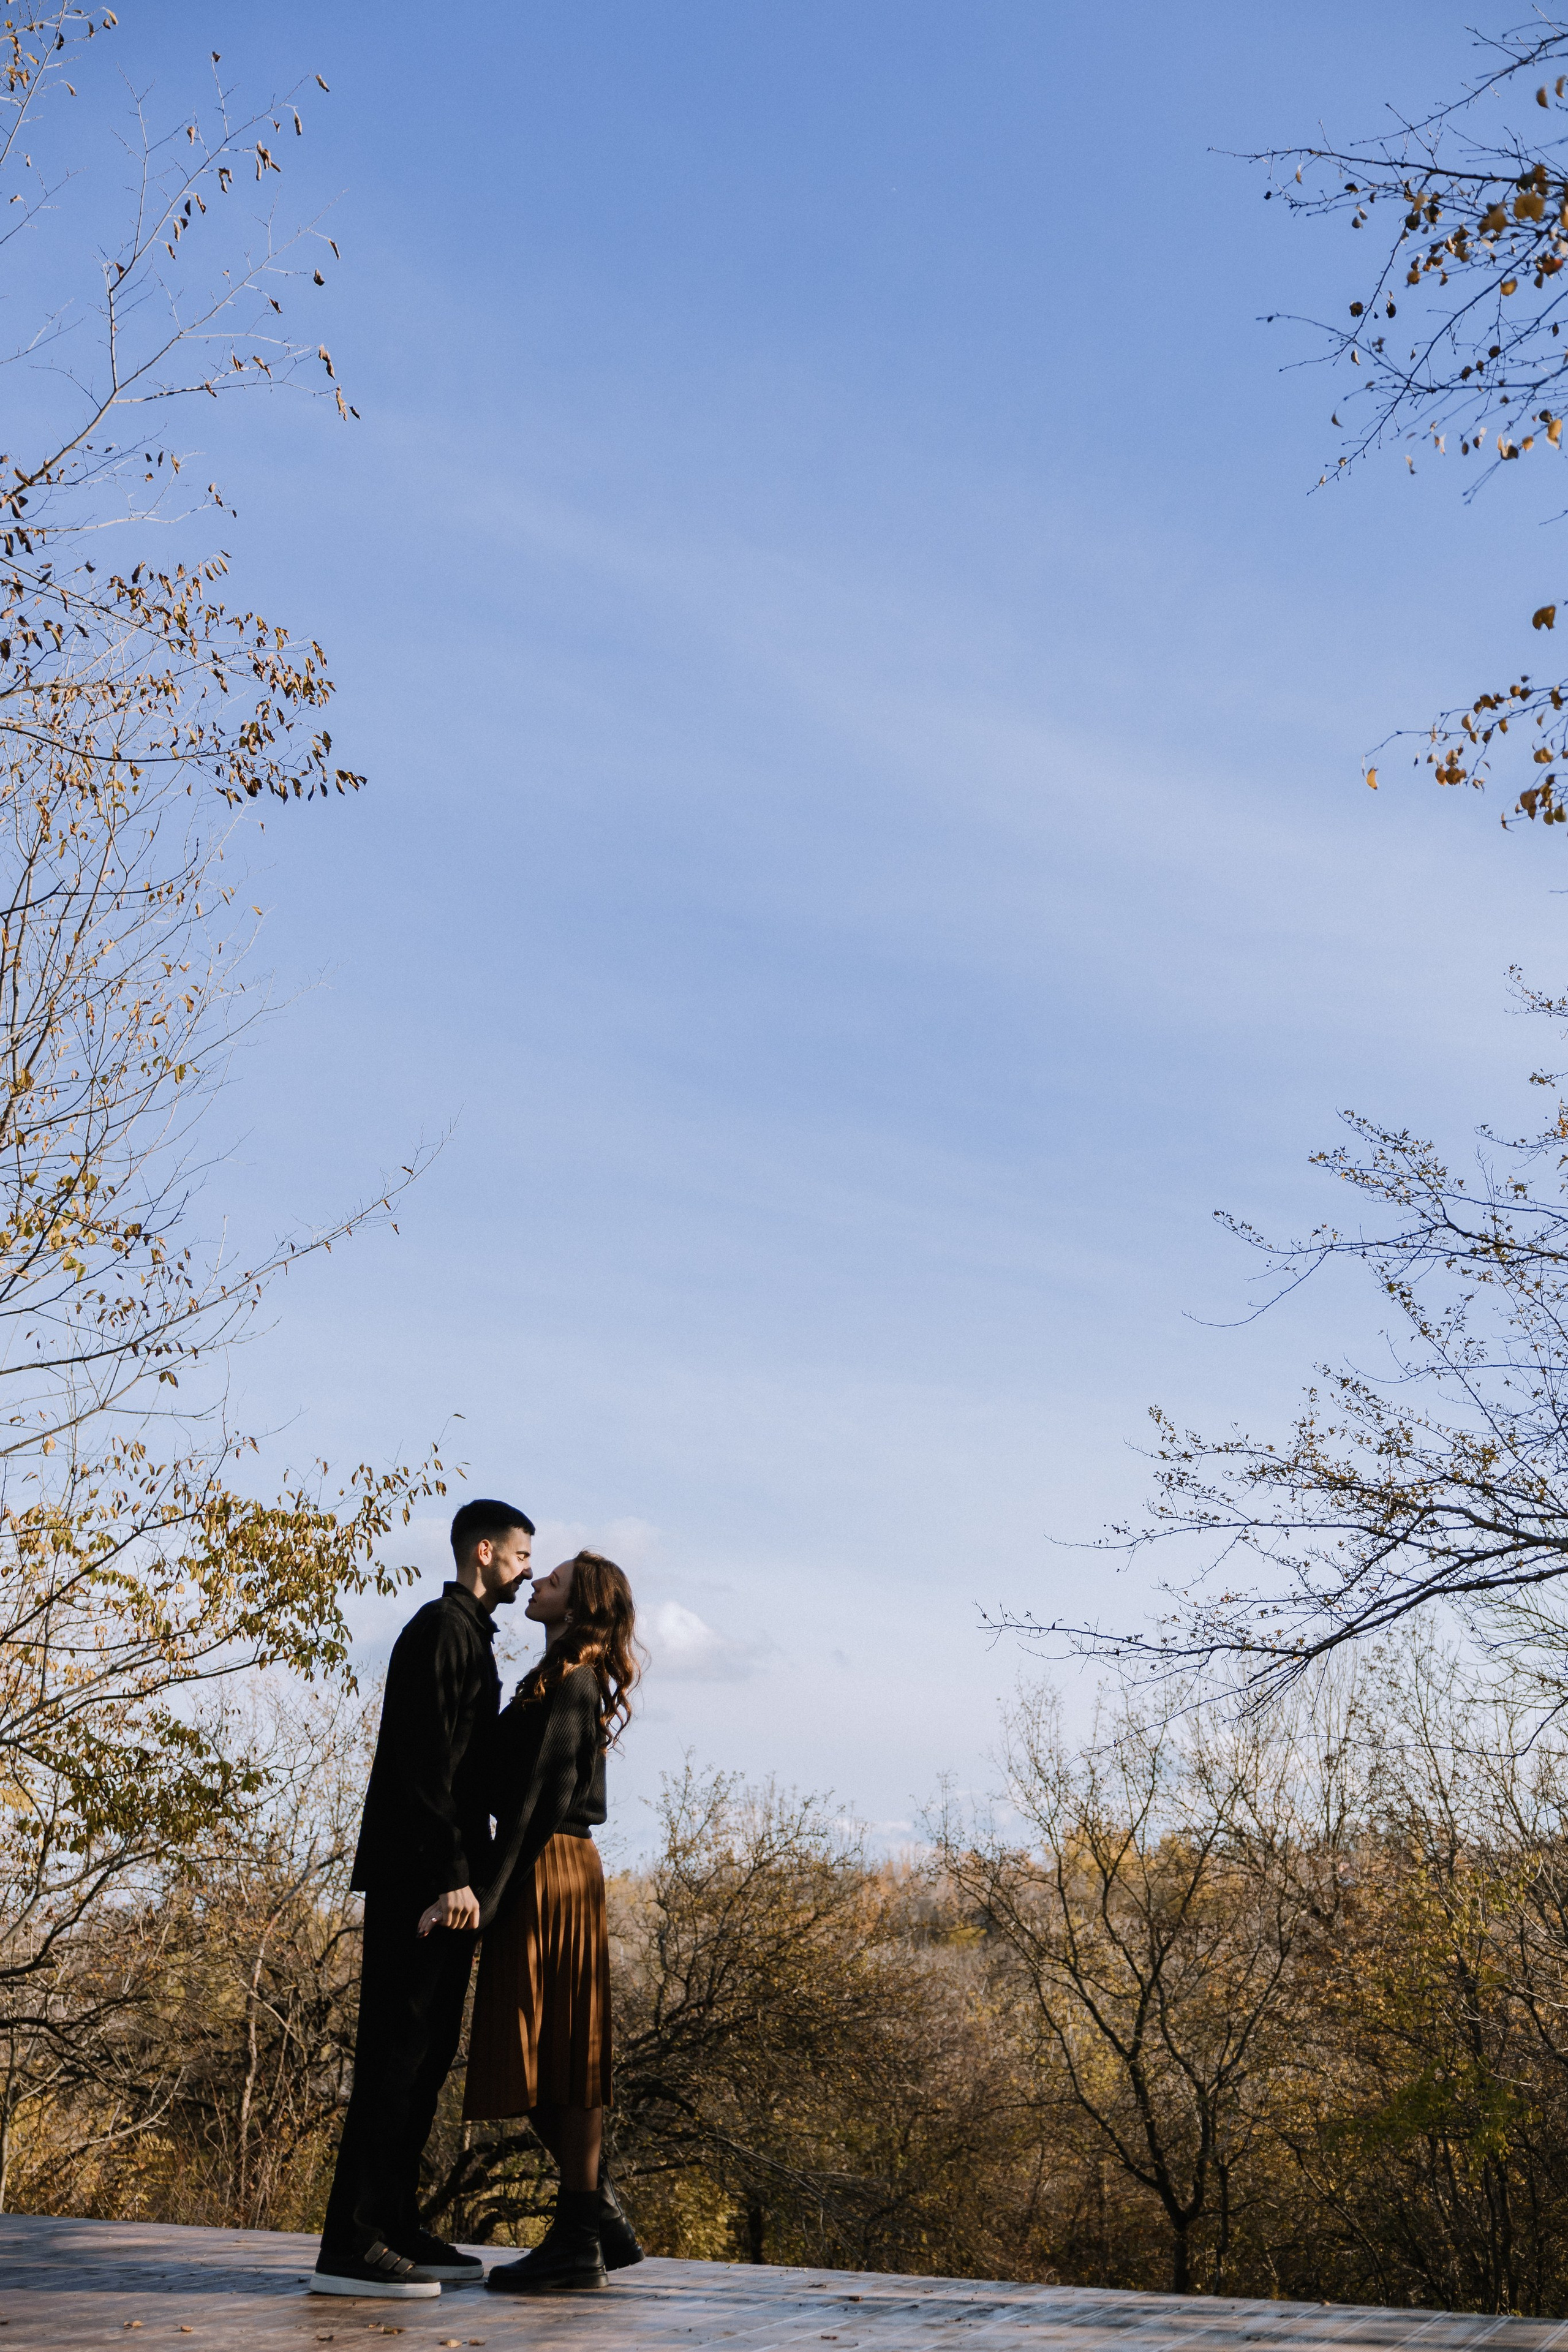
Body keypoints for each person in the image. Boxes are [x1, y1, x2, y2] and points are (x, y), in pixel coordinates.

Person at [312, 1499, 535, 2301]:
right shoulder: (439, 1631)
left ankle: (394, 2225)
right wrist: (448, 1876)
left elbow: (470, 1766)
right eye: (518, 1556)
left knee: (427, 2060)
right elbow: (421, 1764)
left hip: (448, 1882)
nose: (526, 1571)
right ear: (483, 1552)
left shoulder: (469, 1638)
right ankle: (352, 2243)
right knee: (396, 2058)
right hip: (422, 1882)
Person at [428, 1548, 640, 2294]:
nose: (535, 1584)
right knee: (537, 2047)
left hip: (551, 1869)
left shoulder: (574, 1684)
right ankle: (592, 2214)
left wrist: (485, 1892)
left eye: (549, 1582)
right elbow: (494, 1778)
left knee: (558, 2048)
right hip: (543, 1867)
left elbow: (536, 1805)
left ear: (577, 1606)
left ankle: (581, 2230)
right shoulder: (544, 1679)